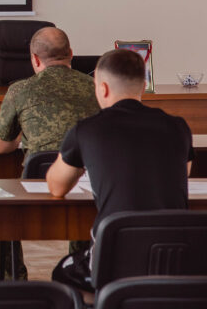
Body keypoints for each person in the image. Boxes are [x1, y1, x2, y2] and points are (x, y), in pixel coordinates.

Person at [46, 48, 194, 292]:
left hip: (114, 257)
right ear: (143, 86)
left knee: (63, 271)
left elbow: (56, 186)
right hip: (176, 256)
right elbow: (183, 173)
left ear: (102, 88)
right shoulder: (179, 127)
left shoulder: (87, 129)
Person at [0, 27, 99, 280]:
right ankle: (79, 269)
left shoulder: (20, 89)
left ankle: (16, 280)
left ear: (35, 59)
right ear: (71, 54)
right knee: (83, 205)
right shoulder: (95, 86)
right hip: (89, 187)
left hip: (37, 188)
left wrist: (22, 135)